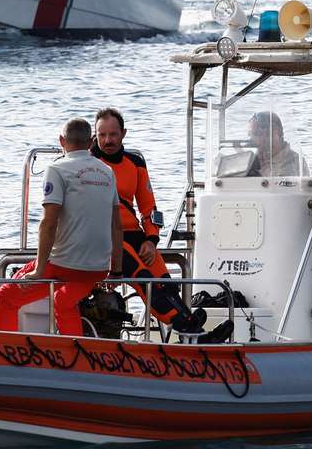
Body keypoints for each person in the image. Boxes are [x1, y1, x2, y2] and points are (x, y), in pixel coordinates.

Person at [91, 108, 232, 341]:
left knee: (164, 281)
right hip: (106, 238)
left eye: (113, 134)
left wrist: (151, 239)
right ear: (95, 136)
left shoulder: (134, 163)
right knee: (146, 279)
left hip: (134, 235)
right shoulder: (89, 164)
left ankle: (191, 327)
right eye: (102, 135)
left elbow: (149, 208)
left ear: (123, 134)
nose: (108, 140)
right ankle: (188, 327)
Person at [0, 118, 123, 336]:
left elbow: (49, 221)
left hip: (65, 263)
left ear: (62, 141)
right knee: (62, 301)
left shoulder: (57, 168)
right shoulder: (107, 172)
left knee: (5, 296)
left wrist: (39, 269)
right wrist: (117, 271)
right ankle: (74, 355)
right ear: (91, 141)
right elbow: (117, 226)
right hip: (98, 268)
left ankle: (6, 355)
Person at [248, 111, 308, 177]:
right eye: (251, 134)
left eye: (257, 133)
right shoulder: (249, 160)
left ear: (279, 133)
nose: (252, 139)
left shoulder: (296, 163)